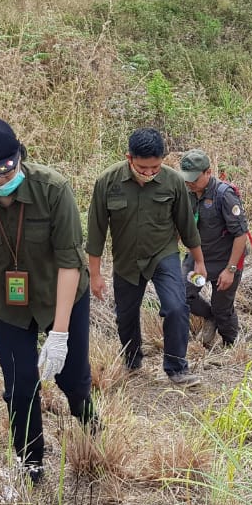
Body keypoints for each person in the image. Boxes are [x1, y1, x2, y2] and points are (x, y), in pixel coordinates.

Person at [0, 117, 96, 485]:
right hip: (7, 304)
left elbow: (69, 263)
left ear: (18, 156)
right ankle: (31, 463)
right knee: (20, 384)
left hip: (63, 295)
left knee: (72, 377)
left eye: (4, 171)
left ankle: (90, 425)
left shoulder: (53, 189)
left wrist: (59, 334)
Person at [87, 128, 205, 387]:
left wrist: (199, 261)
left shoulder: (173, 181)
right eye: (143, 167)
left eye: (155, 167)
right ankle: (133, 359)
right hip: (126, 259)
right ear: (129, 157)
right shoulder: (107, 182)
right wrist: (95, 275)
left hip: (163, 254)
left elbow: (187, 226)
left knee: (176, 307)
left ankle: (177, 368)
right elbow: (96, 232)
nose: (150, 173)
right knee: (126, 316)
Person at [179, 149, 249, 348]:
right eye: (187, 178)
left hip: (225, 262)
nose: (189, 183)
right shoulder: (186, 192)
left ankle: (230, 345)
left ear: (208, 172)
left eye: (194, 178)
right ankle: (209, 316)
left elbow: (240, 235)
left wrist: (230, 270)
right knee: (182, 294)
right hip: (198, 259)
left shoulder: (224, 195)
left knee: (222, 308)